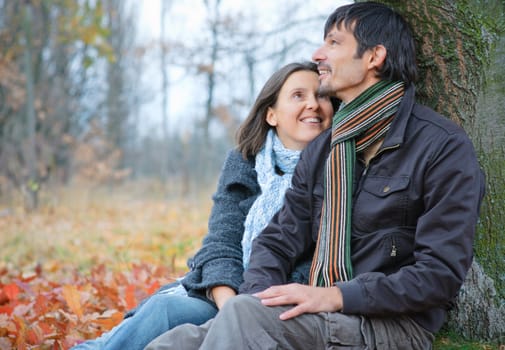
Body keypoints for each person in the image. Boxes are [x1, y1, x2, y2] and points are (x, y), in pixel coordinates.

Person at [145, 2, 485, 349]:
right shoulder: (325, 149)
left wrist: (337, 296)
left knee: (242, 318)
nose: (318, 54)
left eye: (334, 43)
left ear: (374, 57)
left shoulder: (441, 147)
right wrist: (261, 299)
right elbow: (276, 241)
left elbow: (439, 275)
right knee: (173, 343)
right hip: (320, 316)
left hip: (392, 326)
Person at [70, 61, 334, 350]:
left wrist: (248, 313)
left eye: (321, 95)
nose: (313, 104)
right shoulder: (244, 164)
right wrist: (232, 308)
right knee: (154, 316)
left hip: (278, 305)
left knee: (163, 316)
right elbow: (222, 243)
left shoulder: (339, 170)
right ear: (271, 114)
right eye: (298, 95)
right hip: (224, 294)